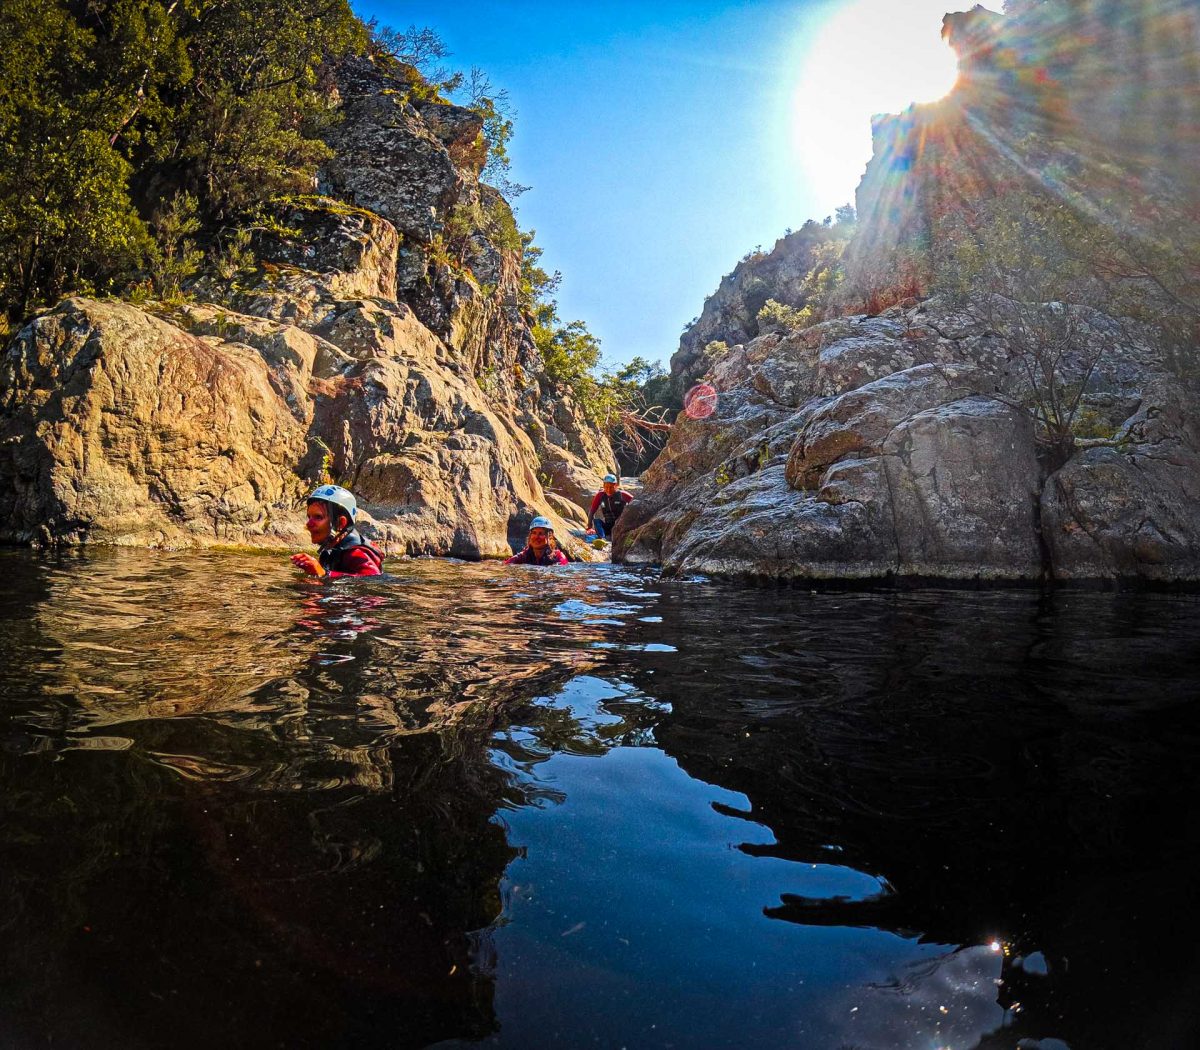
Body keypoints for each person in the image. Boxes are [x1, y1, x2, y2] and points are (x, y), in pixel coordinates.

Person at [291, 484, 385, 578]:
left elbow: (373, 579)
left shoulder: (357, 554)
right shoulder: (331, 550)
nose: (308, 524)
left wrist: (324, 573)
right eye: (309, 517)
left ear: (340, 523)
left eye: (318, 517)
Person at [586, 474, 634, 540]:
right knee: (596, 521)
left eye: (611, 487)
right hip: (608, 525)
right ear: (603, 486)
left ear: (616, 485)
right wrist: (589, 527)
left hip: (620, 526)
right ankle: (602, 539)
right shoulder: (600, 495)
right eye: (606, 487)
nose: (608, 489)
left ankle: (614, 537)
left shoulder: (622, 494)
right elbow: (592, 511)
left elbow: (636, 503)